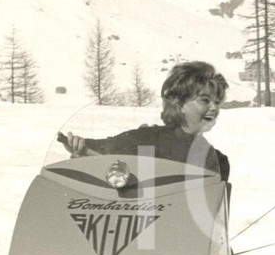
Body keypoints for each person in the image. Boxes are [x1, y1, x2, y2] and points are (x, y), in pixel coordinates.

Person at [63, 61, 230, 181]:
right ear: (179, 104)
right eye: (205, 100)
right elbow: (104, 149)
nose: (214, 108)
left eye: (217, 102)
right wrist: (80, 147)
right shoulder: (145, 139)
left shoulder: (216, 159)